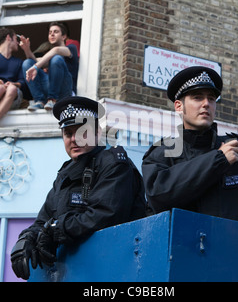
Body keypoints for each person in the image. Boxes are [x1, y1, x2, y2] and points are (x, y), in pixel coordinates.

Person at [142, 66, 238, 232]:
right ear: (179, 106)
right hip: (182, 252)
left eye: (211, 99)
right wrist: (218, 160)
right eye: (197, 98)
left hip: (233, 252)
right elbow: (159, 196)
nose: (206, 104)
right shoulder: (162, 153)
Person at [11, 96, 146, 280]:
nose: (74, 139)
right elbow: (44, 220)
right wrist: (27, 237)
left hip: (113, 272)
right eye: (68, 133)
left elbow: (105, 215)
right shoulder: (65, 174)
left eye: (82, 132)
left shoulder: (114, 164)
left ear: (97, 132)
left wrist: (56, 230)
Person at [20, 22, 79, 111]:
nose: (52, 34)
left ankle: (52, 99)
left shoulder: (71, 48)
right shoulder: (50, 55)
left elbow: (56, 50)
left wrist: (36, 67)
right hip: (50, 87)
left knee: (56, 59)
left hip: (65, 91)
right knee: (27, 63)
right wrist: (27, 49)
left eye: (55, 32)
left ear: (64, 37)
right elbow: (34, 62)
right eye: (50, 32)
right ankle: (39, 101)